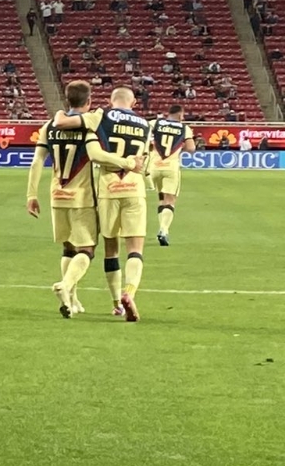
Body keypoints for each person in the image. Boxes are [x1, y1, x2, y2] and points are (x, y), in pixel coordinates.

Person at [52, 87, 150, 321]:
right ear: (134, 103)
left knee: (110, 249)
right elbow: (143, 161)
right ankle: (130, 293)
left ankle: (116, 302)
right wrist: (130, 164)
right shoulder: (146, 124)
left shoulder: (102, 117)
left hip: (108, 188)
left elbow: (93, 151)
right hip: (134, 188)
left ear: (110, 100)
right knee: (135, 249)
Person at [26, 80, 99, 318]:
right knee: (87, 249)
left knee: (68, 247)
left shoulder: (49, 125)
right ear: (88, 101)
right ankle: (66, 286)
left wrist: (31, 194)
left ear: (67, 101)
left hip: (57, 194)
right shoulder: (89, 126)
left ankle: (72, 299)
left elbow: (37, 160)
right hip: (83, 197)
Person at [145, 102, 196, 247]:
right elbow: (192, 148)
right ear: (180, 114)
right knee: (170, 200)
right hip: (171, 167)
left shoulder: (155, 123)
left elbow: (145, 142)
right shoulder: (184, 128)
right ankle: (163, 230)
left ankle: (163, 228)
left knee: (161, 198)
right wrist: (180, 147)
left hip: (155, 166)